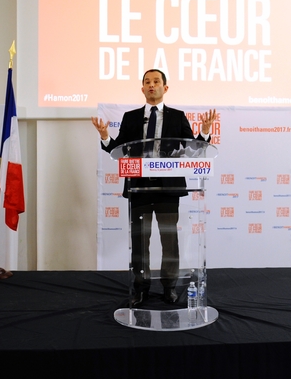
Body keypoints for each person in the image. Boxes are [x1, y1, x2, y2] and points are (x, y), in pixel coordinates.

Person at [91, 69, 216, 307]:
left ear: (165, 88)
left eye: (156, 81)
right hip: (139, 187)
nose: (151, 85)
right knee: (140, 242)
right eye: (147, 82)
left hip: (168, 188)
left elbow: (192, 149)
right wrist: (106, 136)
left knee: (170, 241)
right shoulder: (131, 117)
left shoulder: (177, 117)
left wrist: (205, 132)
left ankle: (169, 287)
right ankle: (140, 288)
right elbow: (118, 149)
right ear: (142, 89)